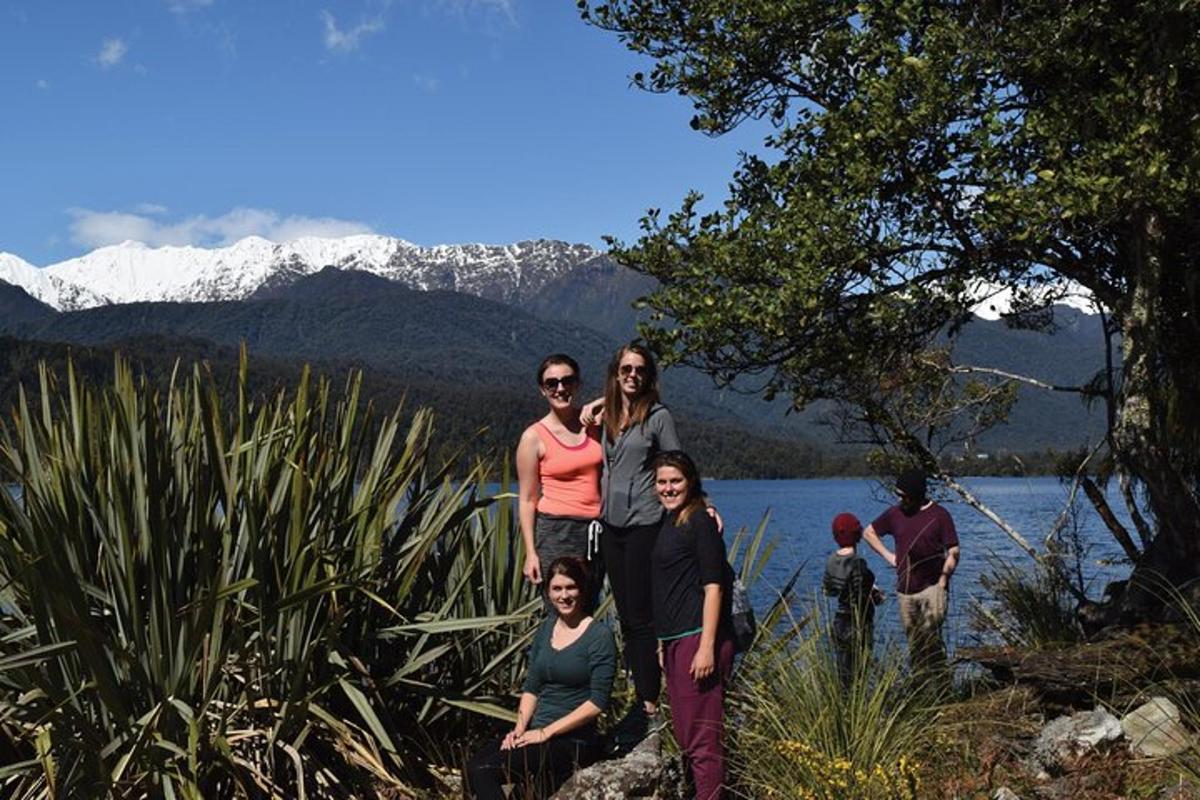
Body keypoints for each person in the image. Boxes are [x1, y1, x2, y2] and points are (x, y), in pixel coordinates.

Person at [585, 344, 681, 746]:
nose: (632, 375)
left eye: (639, 370)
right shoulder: (607, 414)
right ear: (616, 372)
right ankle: (638, 699)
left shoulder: (658, 418)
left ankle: (649, 706)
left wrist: (698, 507)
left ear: (648, 376)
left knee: (641, 618)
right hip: (611, 527)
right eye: (626, 369)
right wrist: (594, 404)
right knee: (625, 615)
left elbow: (677, 465)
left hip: (644, 523)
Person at [464, 557, 616, 799]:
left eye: (570, 587)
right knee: (472, 768)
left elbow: (597, 702)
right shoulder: (546, 629)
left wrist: (547, 733)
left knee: (485, 773)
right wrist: (519, 729)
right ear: (548, 592)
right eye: (557, 588)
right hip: (536, 731)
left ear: (582, 590)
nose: (564, 596)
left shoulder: (599, 636)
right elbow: (532, 687)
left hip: (571, 739)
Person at [650, 450, 734, 800]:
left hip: (697, 639)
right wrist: (661, 643)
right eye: (662, 482)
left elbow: (713, 586)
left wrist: (706, 646)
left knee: (702, 741)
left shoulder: (700, 520)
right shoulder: (670, 521)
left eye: (676, 481)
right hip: (675, 640)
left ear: (691, 482)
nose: (668, 488)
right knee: (687, 736)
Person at [516, 354, 604, 606]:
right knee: (562, 608)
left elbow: (634, 400)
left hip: (596, 531)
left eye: (567, 381)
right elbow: (527, 499)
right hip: (557, 531)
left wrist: (598, 403)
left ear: (578, 384)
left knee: (590, 604)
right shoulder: (533, 437)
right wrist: (531, 553)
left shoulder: (594, 423)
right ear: (542, 390)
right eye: (551, 383)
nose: (560, 388)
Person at [861, 468, 960, 675]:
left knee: (930, 642)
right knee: (915, 644)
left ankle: (941, 686)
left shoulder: (939, 515)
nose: (900, 499)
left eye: (903, 495)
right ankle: (921, 686)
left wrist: (943, 581)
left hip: (933, 589)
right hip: (905, 591)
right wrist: (890, 557)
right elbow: (868, 533)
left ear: (916, 494)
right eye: (898, 495)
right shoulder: (894, 514)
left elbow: (953, 551)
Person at [822, 512, 884, 689]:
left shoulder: (831, 561)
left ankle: (844, 700)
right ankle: (856, 705)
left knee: (843, 666)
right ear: (857, 536)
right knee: (859, 668)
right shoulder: (858, 563)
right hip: (858, 621)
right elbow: (861, 594)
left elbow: (829, 590)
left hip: (839, 620)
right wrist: (877, 596)